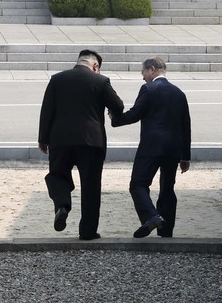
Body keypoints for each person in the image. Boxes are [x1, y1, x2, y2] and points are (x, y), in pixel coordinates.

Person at [38, 49, 124, 240]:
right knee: (91, 186)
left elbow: (47, 110)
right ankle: (87, 231)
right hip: (91, 141)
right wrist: (111, 113)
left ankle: (62, 205)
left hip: (60, 140)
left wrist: (43, 139)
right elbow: (118, 105)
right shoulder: (100, 81)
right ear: (95, 66)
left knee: (57, 175)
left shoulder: (57, 79)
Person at [111, 56, 191, 238]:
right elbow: (186, 125)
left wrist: (116, 120)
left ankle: (151, 216)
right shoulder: (179, 93)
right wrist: (185, 156)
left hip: (151, 145)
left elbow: (135, 114)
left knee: (138, 183)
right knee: (167, 188)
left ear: (152, 69)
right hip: (173, 149)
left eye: (143, 72)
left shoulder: (148, 89)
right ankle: (166, 231)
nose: (143, 76)